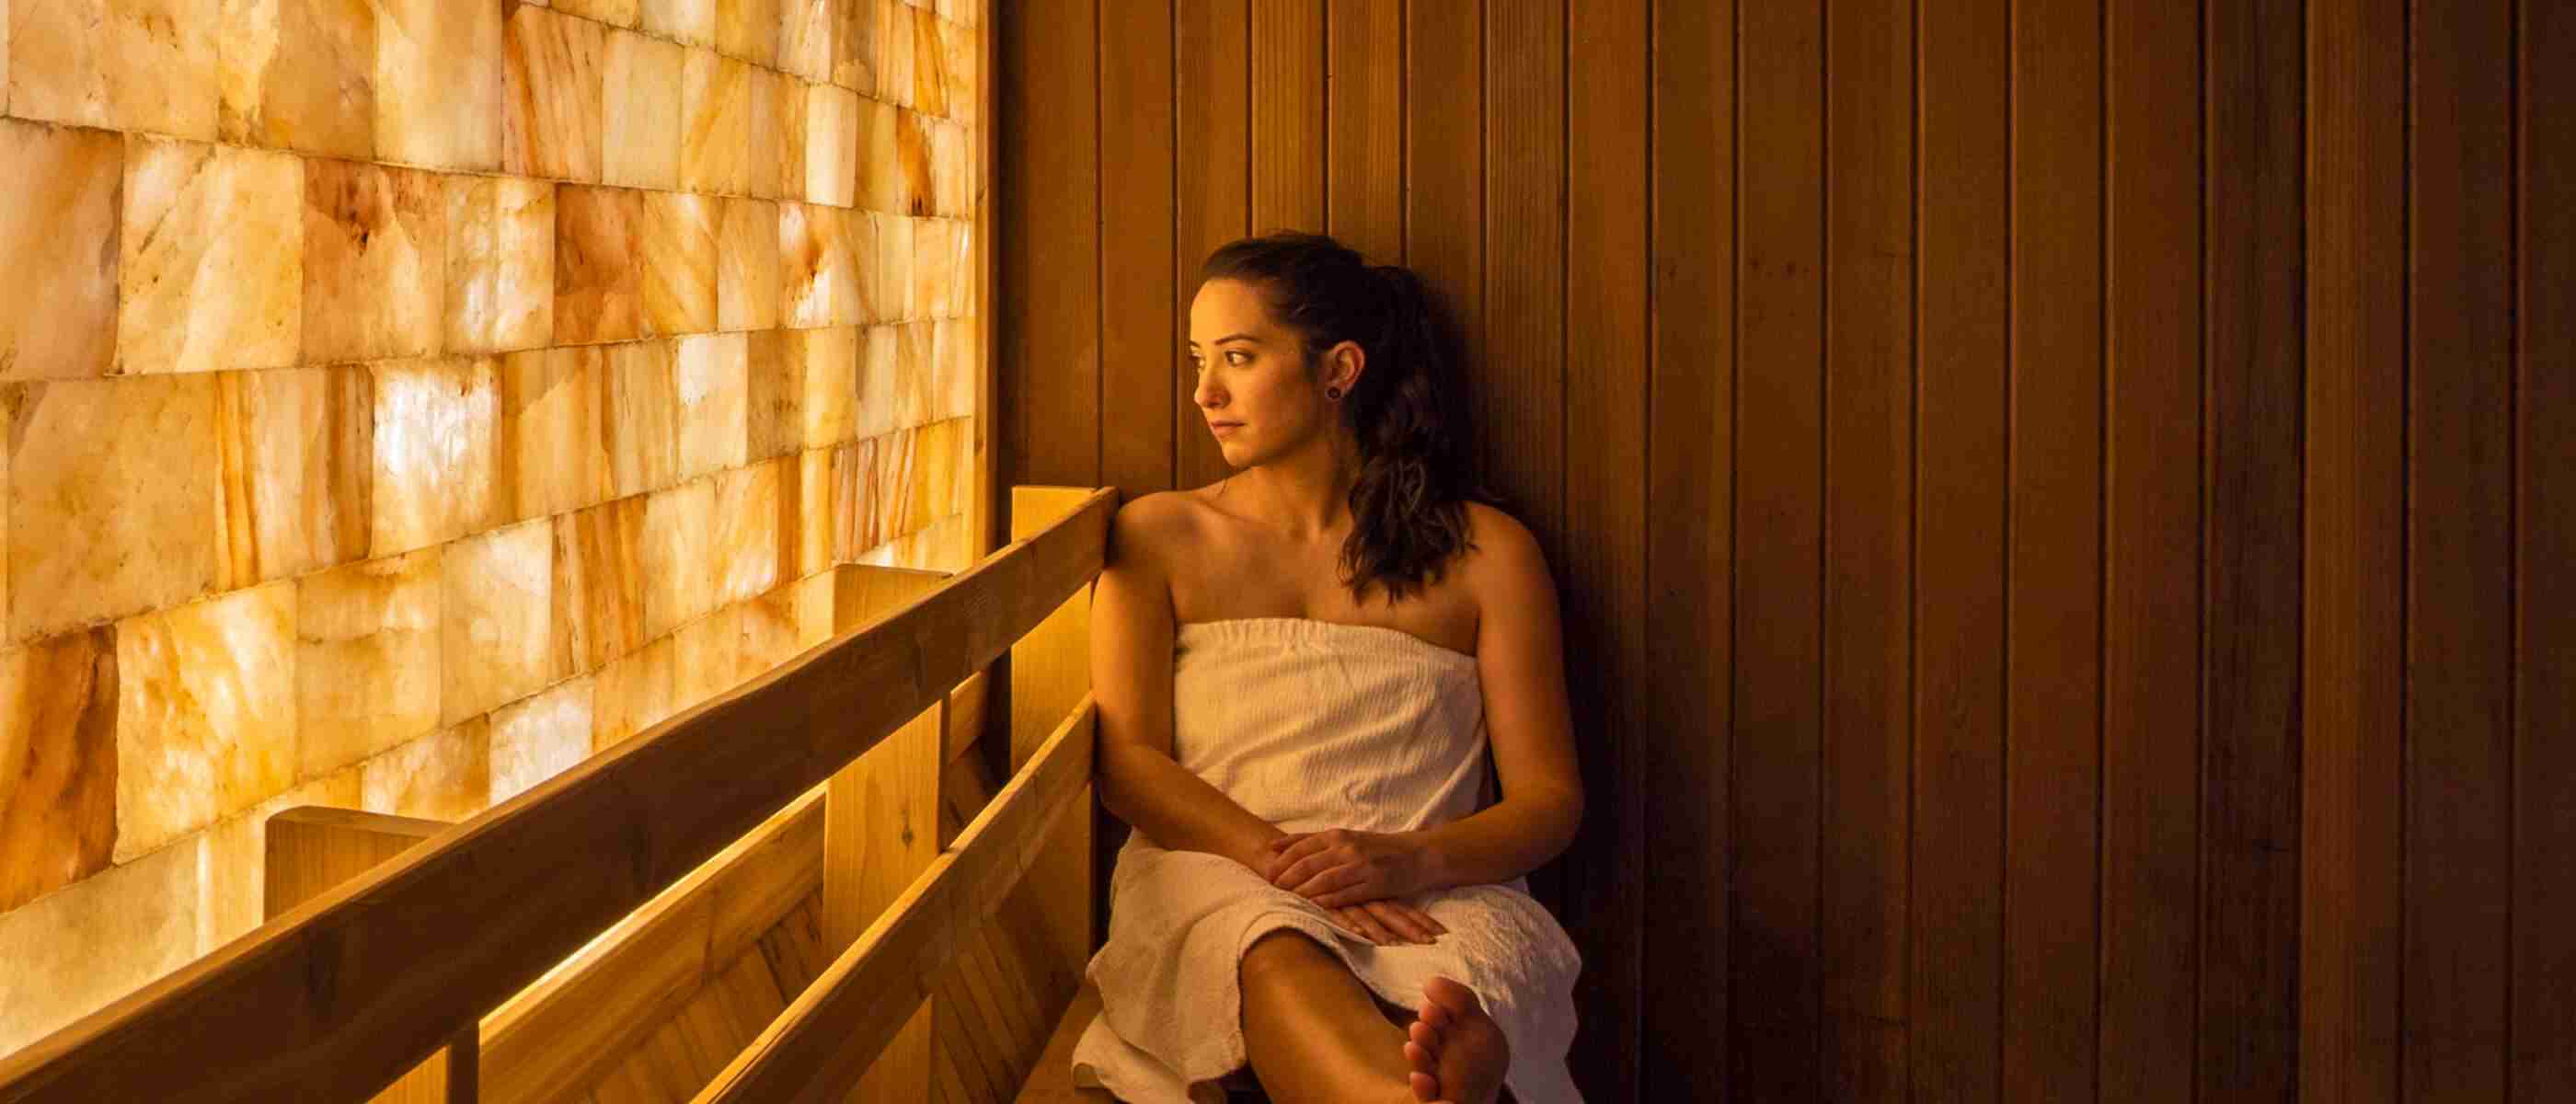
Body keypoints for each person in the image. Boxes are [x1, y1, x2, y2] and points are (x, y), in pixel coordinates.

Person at [1068, 232, 1586, 1104]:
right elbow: (1128, 762)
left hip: (1432, 884)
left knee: (1462, 979)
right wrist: (1290, 866)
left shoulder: (1488, 555)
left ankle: (1431, 1062)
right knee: (1267, 947)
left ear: (1337, 369)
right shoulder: (1158, 539)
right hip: (1218, 871)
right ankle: (1409, 1094)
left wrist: (1407, 861)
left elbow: (1549, 801)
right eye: (1199, 360)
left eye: (1238, 358)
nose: (1205, 392)